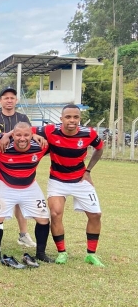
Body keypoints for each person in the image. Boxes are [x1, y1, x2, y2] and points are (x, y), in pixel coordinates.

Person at [36, 105, 104, 266]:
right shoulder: (50, 130)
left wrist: (88, 170)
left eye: (75, 117)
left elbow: (99, 149)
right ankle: (62, 253)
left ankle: (91, 254)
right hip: (57, 181)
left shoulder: (89, 133)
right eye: (68, 117)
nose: (72, 120)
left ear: (79, 119)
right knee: (55, 213)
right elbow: (24, 130)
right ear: (61, 119)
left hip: (80, 180)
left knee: (96, 215)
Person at [0, 122, 52, 266]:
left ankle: (41, 253)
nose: (22, 138)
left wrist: (34, 134)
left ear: (32, 135)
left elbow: (55, 132)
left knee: (43, 218)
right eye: (18, 135)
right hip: (4, 184)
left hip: (29, 186)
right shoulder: (1, 146)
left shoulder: (41, 146)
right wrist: (6, 135)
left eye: (26, 135)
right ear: (13, 135)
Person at [0, 87, 35, 249]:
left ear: (16, 100)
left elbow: (29, 136)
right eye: (5, 97)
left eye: (12, 97)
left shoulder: (22, 117)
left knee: (20, 202)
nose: (9, 100)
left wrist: (8, 136)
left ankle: (23, 235)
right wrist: (6, 136)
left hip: (21, 166)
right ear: (0, 101)